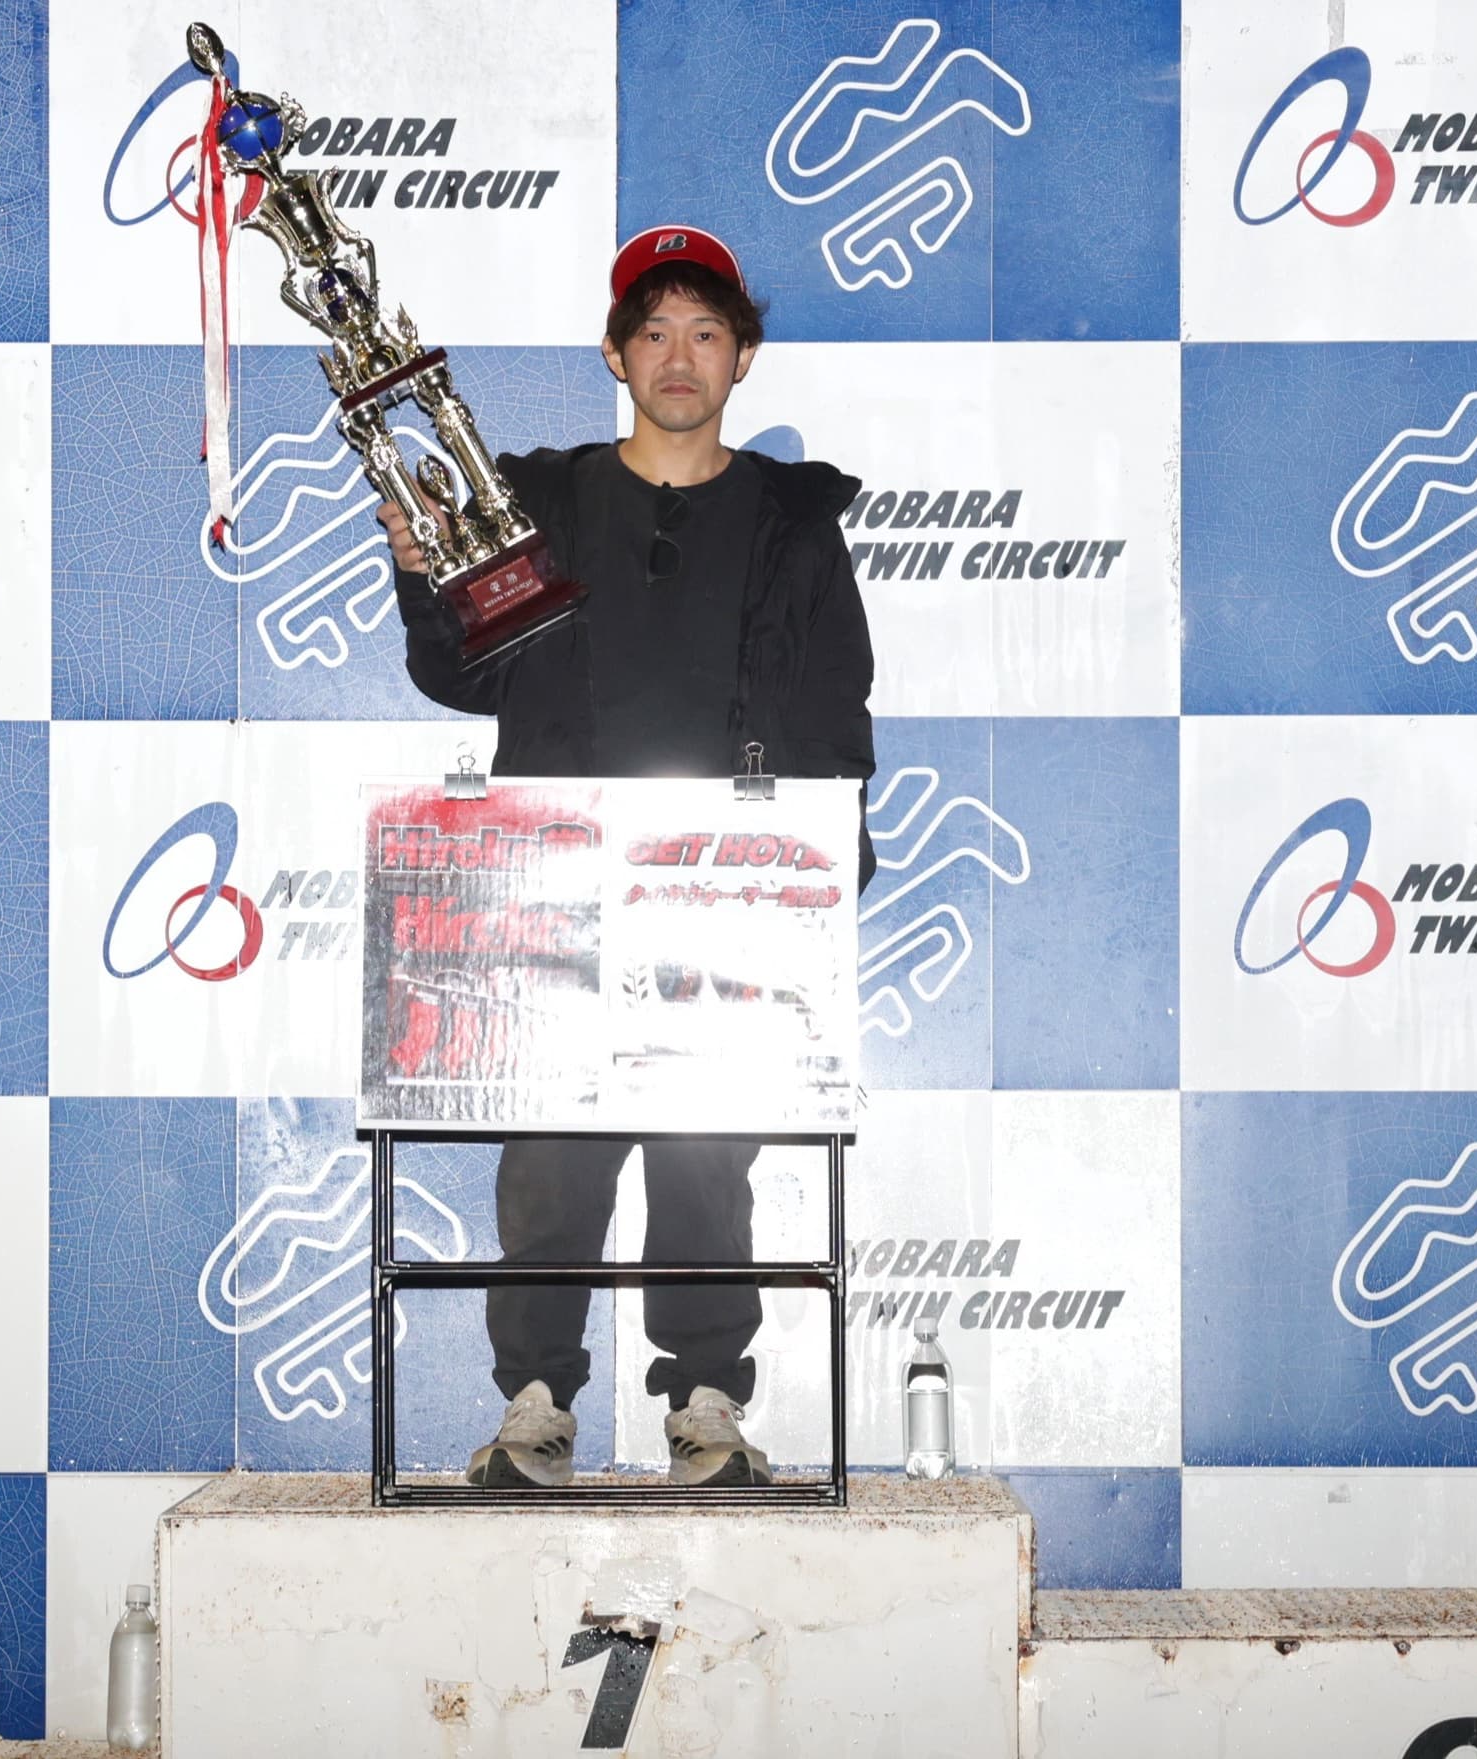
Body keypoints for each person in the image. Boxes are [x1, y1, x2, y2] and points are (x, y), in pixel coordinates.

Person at [379, 226, 876, 1488]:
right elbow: (464, 670)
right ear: (615, 353)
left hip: (728, 889)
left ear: (743, 358)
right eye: (652, 331)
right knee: (550, 1156)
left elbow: (836, 707)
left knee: (708, 1153)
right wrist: (419, 575)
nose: (678, 356)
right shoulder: (538, 503)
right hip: (560, 885)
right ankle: (534, 1405)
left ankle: (707, 1406)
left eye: (706, 331)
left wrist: (822, 871)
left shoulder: (795, 523)